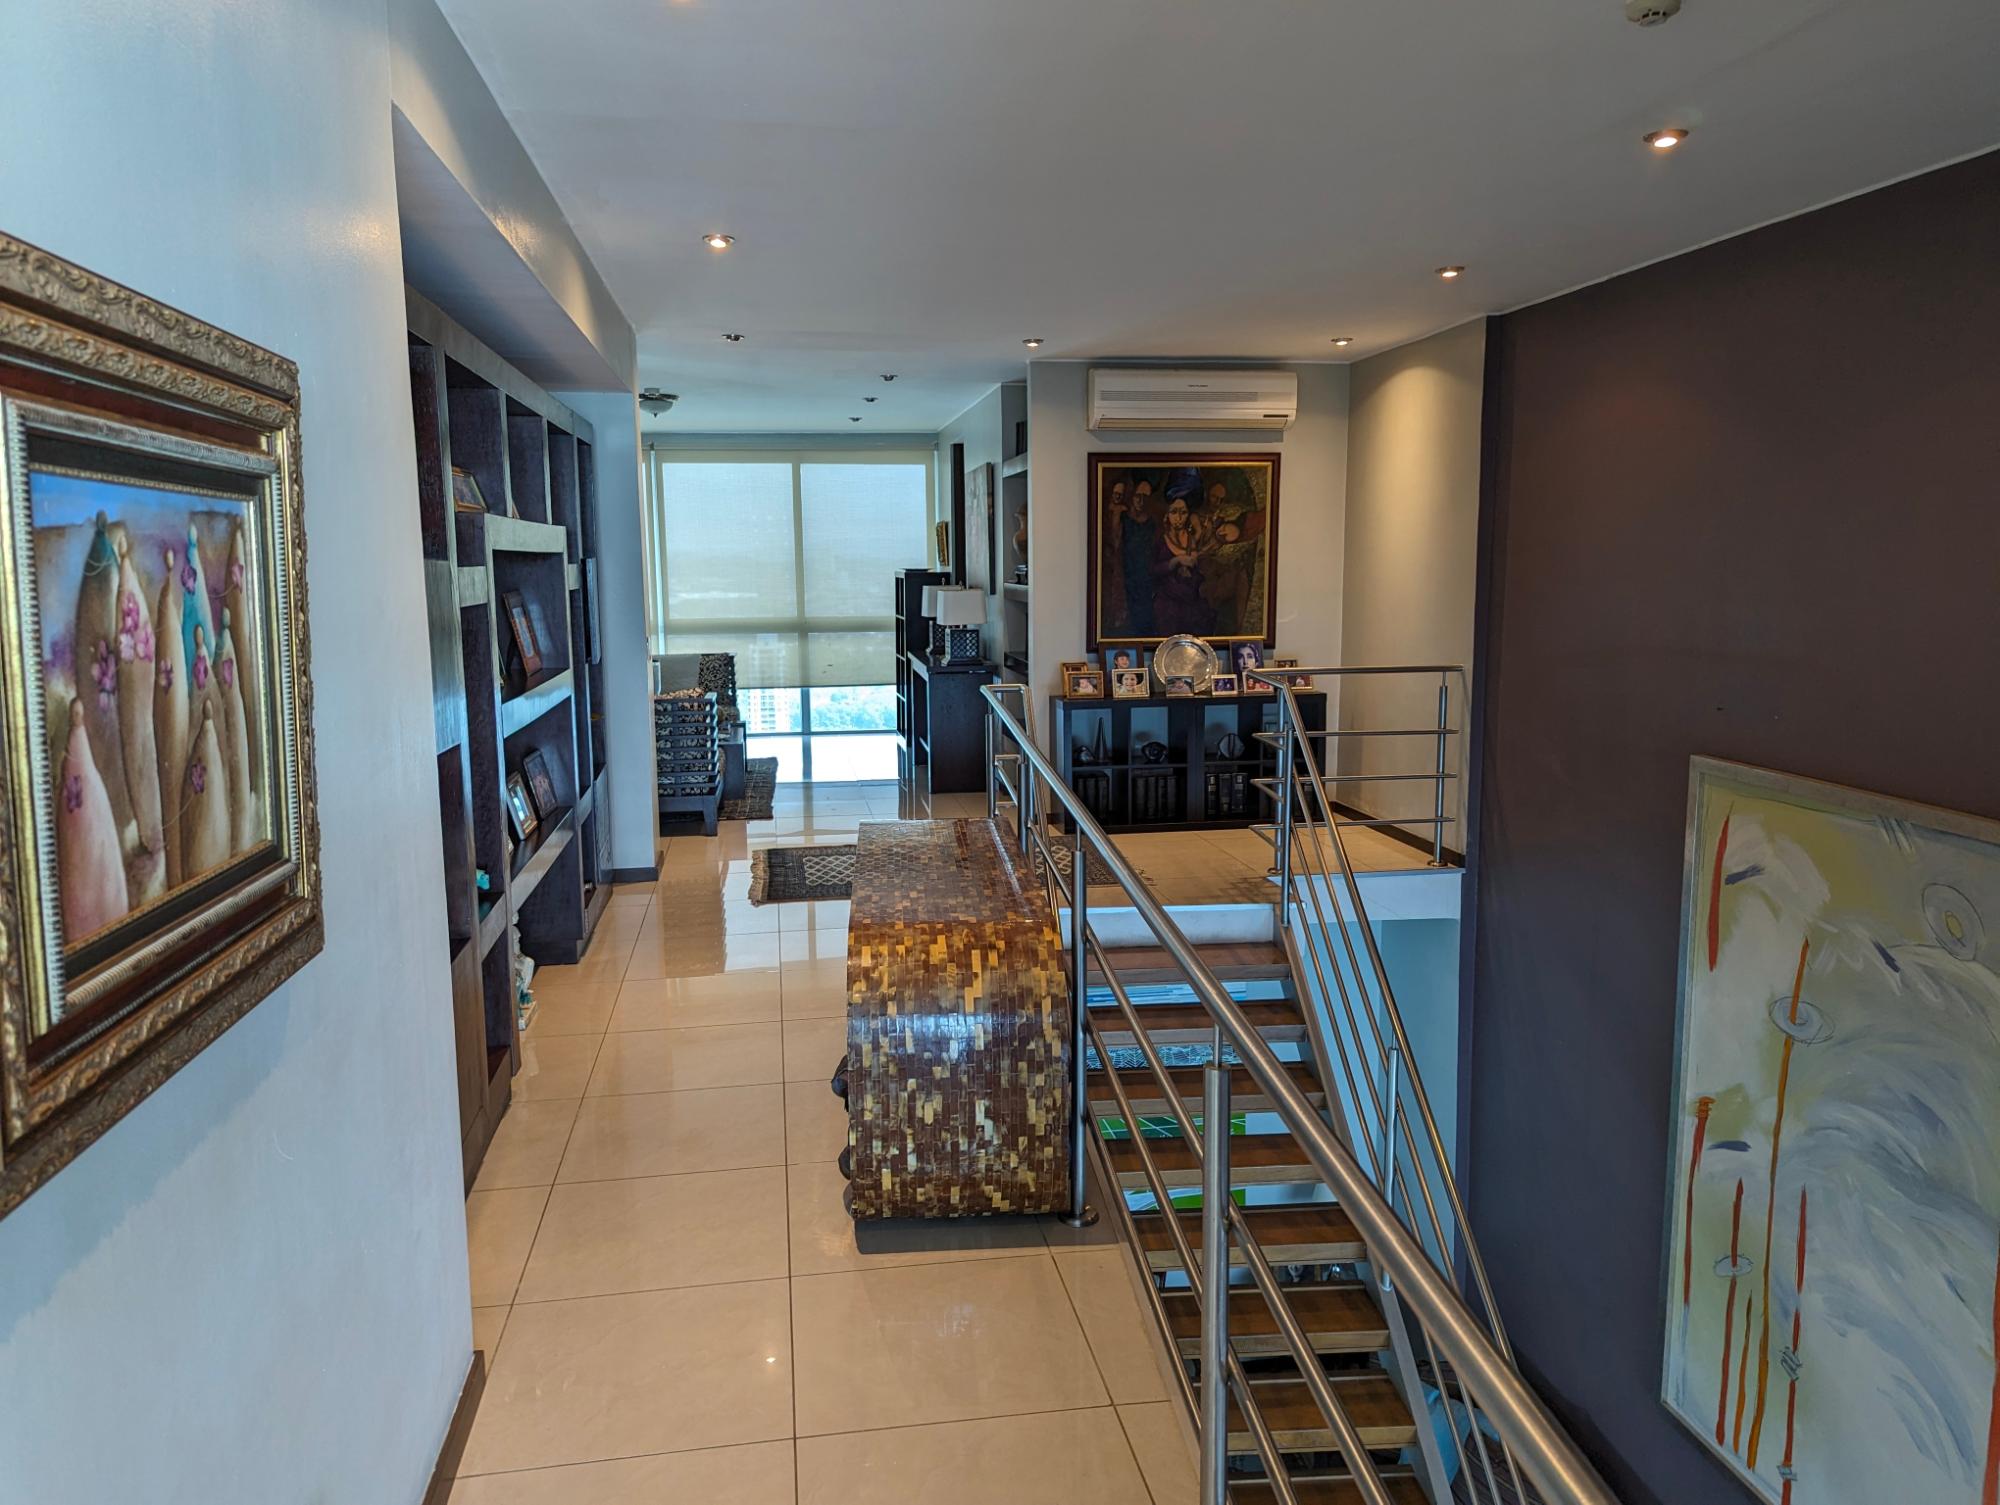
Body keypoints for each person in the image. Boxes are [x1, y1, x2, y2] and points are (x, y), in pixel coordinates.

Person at [1118, 476, 1157, 636]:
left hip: (1145, 578)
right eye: (1138, 496)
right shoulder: (1123, 519)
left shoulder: (1151, 524)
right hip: (1125, 573)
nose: (1141, 501)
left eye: (1145, 497)